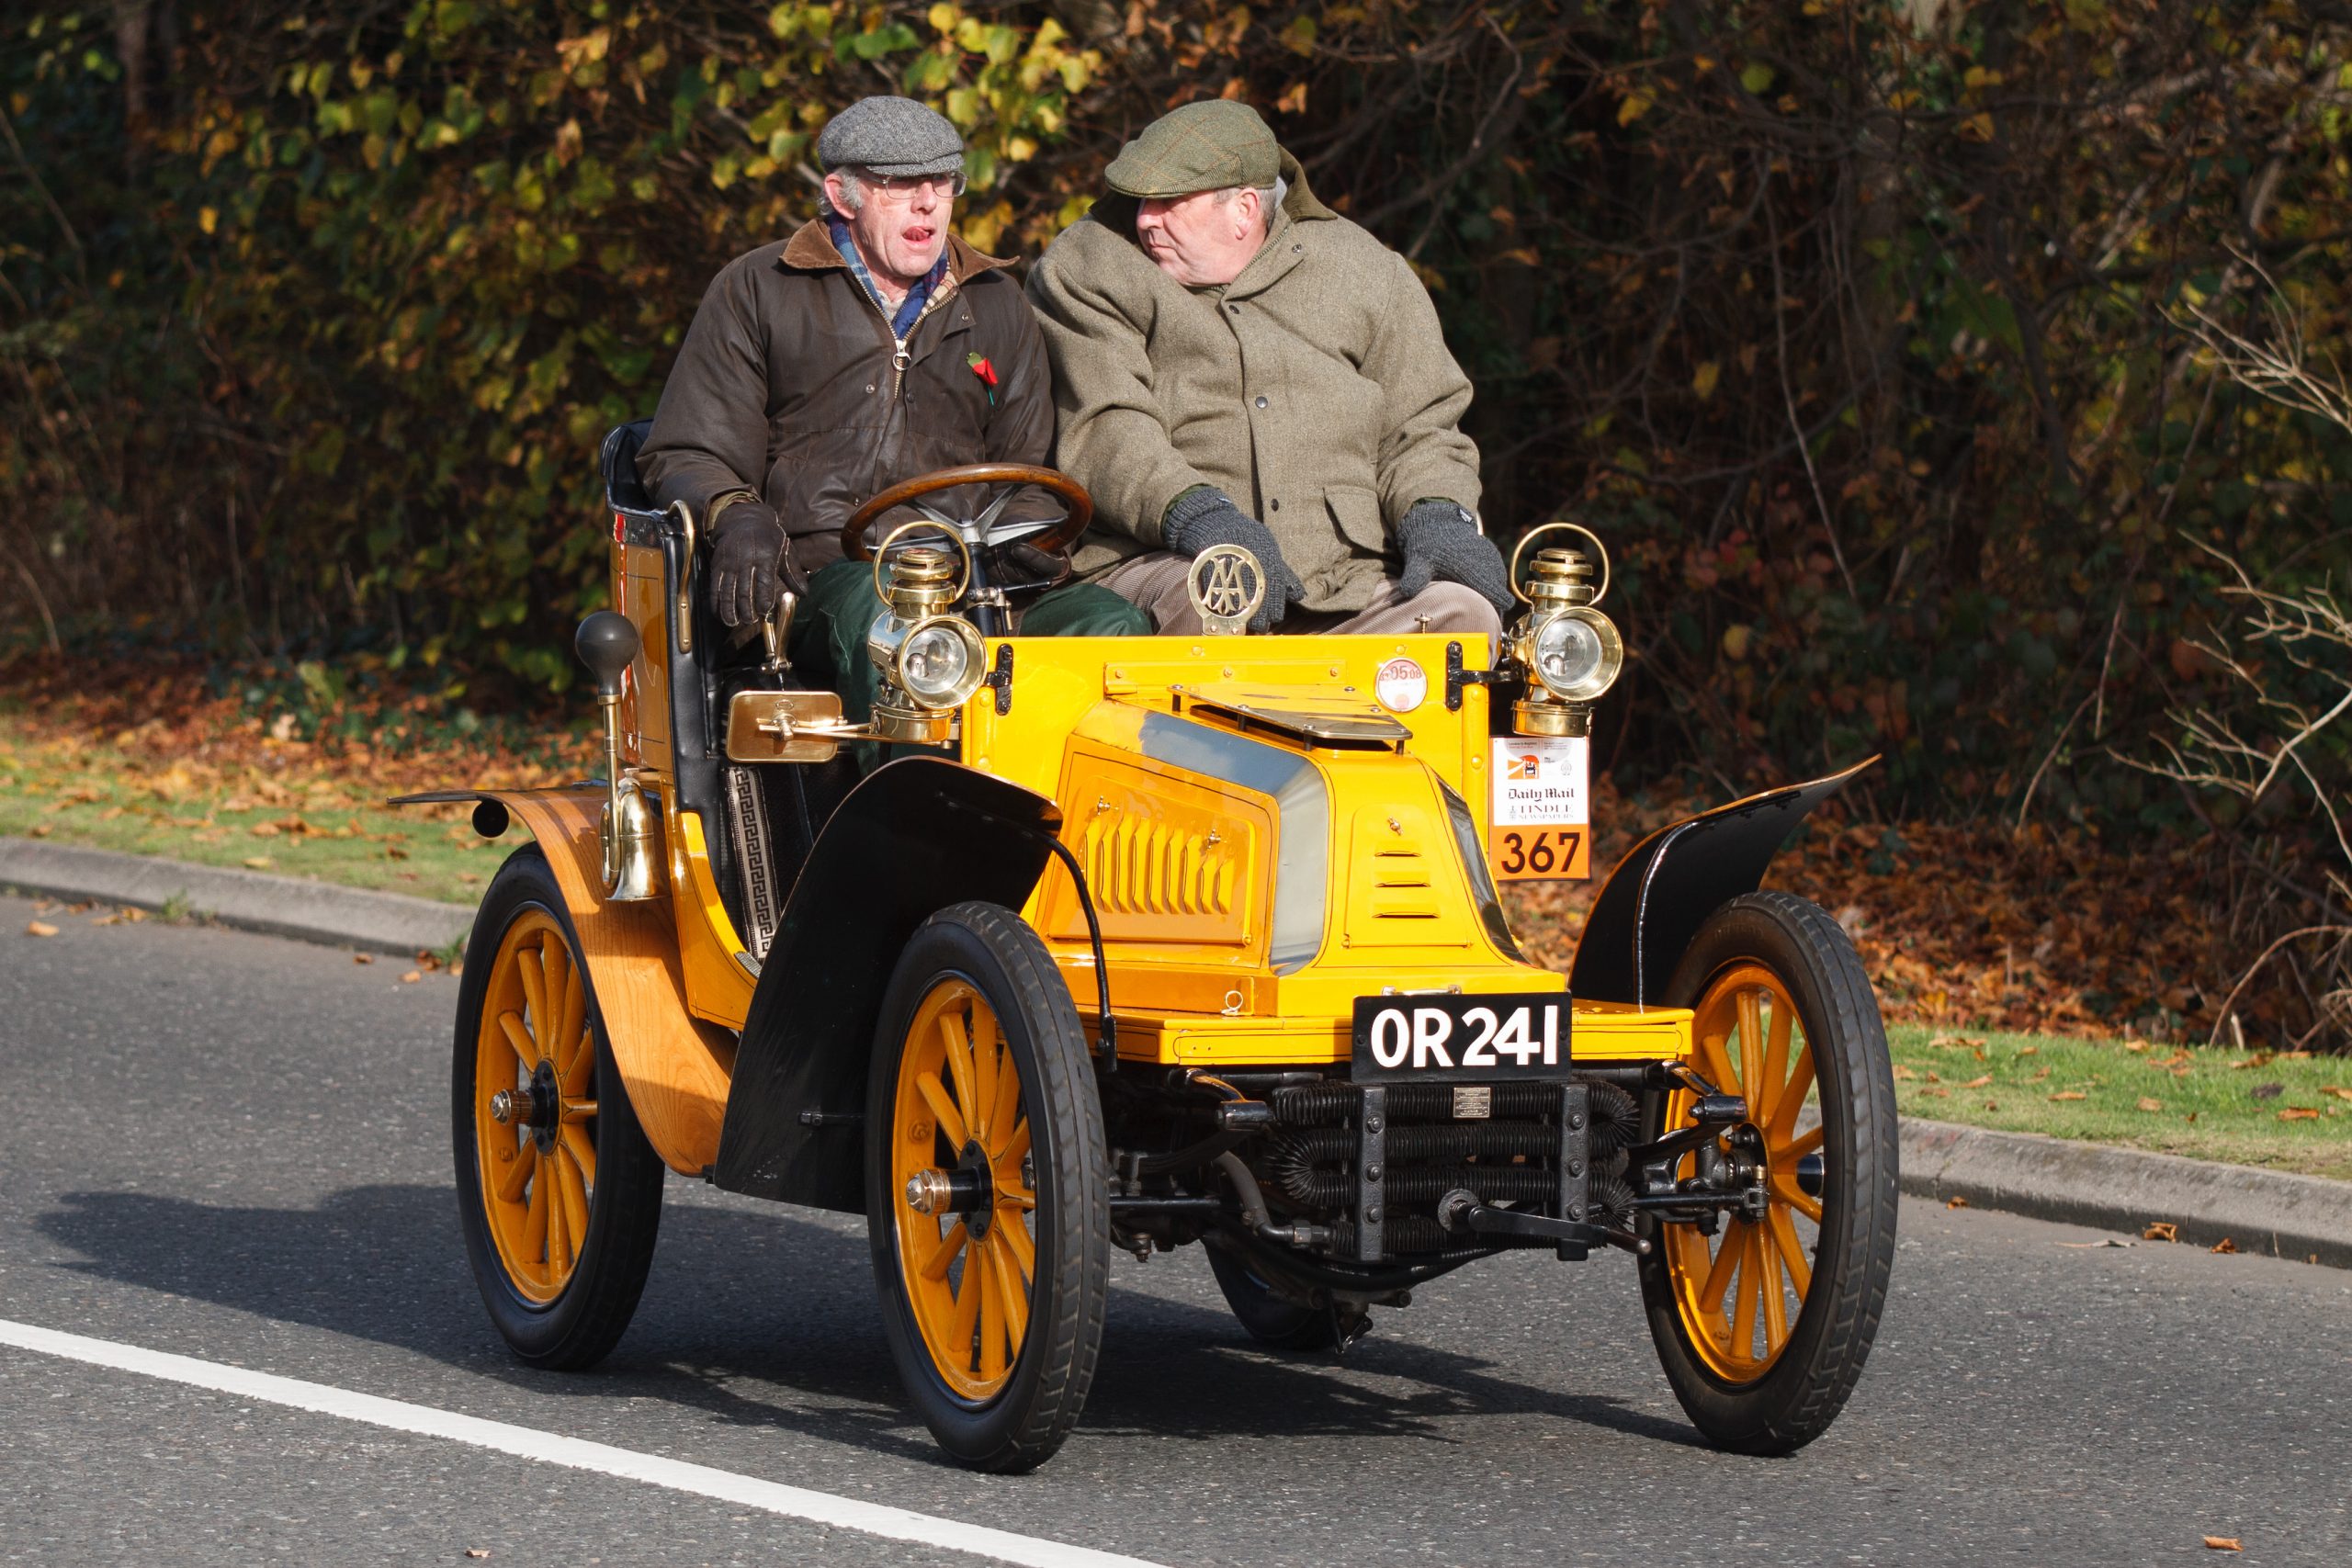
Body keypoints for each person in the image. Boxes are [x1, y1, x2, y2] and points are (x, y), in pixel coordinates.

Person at [639, 96, 1146, 725]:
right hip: (823, 577)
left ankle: (1056, 815)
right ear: (842, 195)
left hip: (972, 578)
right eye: (900, 185)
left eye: (943, 182)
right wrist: (734, 513)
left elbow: (1030, 471)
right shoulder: (758, 289)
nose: (928, 203)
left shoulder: (997, 302)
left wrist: (1028, 539)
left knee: (1112, 625)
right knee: (891, 630)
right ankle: (909, 816)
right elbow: (688, 449)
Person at [1025, 99, 1512, 640]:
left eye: (1167, 202)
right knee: (1216, 592)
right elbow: (1105, 424)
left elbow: (1423, 427)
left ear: (1245, 210)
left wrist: (1438, 515)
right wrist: (1198, 518)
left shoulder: (1367, 271)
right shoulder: (1091, 264)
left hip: (1350, 587)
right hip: (1169, 565)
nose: (1144, 219)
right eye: (1140, 201)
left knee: (1466, 617)